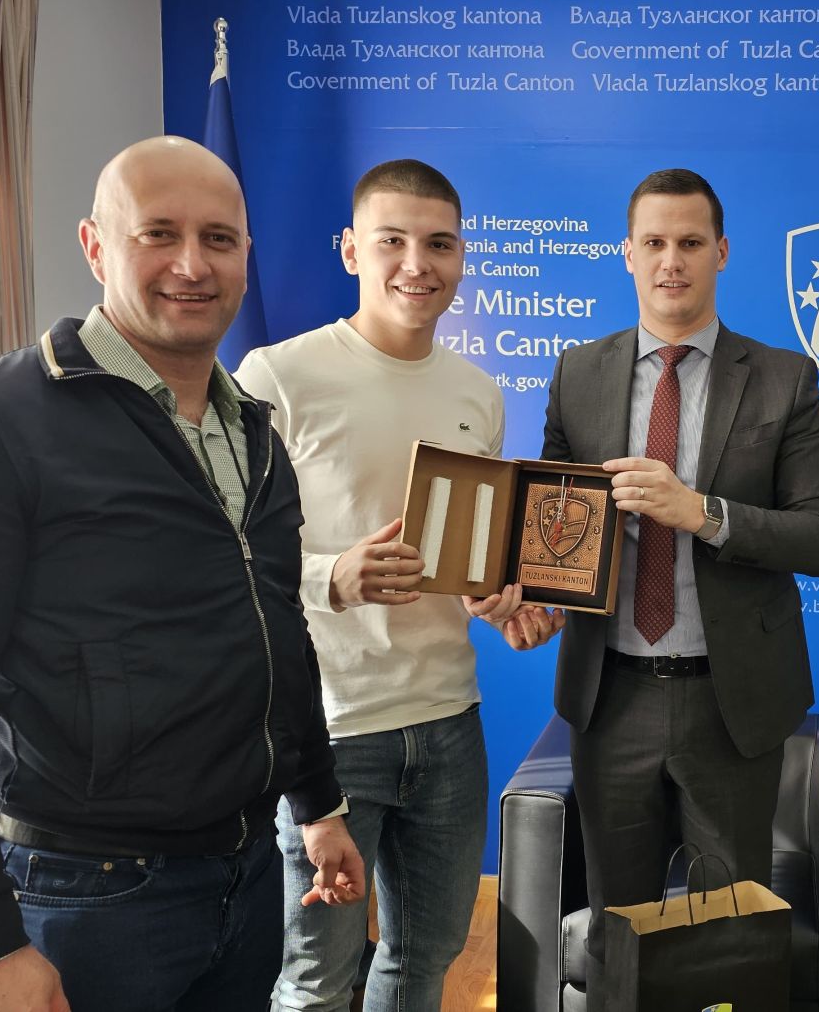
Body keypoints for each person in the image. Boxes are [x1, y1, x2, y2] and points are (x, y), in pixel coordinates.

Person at [0, 136, 366, 1012]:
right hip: (83, 899)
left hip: (245, 879)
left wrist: (318, 804)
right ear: (95, 247)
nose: (192, 265)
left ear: (247, 255)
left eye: (219, 238)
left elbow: (277, 630)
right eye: (158, 234)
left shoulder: (254, 433)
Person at [235, 159, 564, 1012]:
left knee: (425, 960)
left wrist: (503, 602)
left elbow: (468, 560)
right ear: (352, 250)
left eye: (439, 244)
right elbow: (225, 556)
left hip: (449, 720)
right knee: (316, 978)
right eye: (393, 241)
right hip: (330, 730)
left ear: (462, 256)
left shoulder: (477, 393)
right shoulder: (276, 377)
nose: (418, 264)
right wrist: (331, 576)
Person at [538, 168, 819, 1008]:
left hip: (730, 702)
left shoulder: (783, 378)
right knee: (618, 927)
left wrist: (701, 511)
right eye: (654, 242)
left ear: (722, 252)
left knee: (729, 936)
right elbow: (553, 529)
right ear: (627, 254)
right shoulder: (578, 373)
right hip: (611, 696)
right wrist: (524, 594)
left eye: (689, 242)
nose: (670, 260)